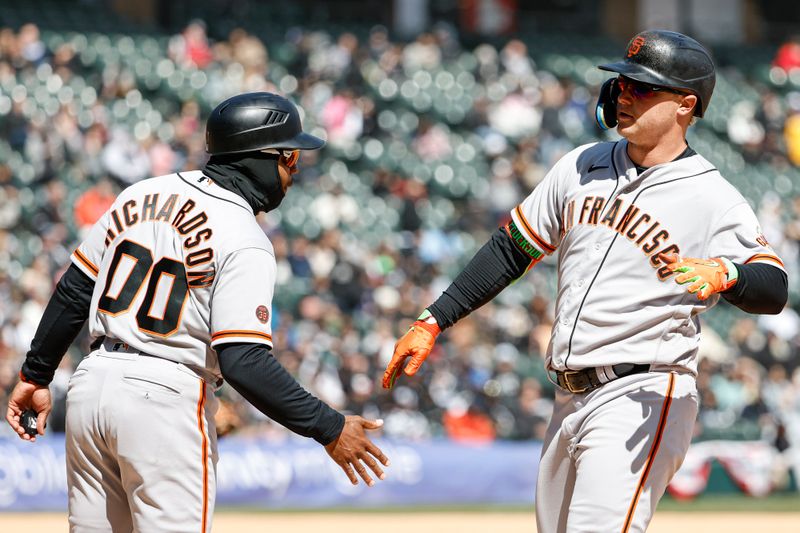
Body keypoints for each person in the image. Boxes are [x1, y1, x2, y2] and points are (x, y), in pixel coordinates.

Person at [382, 30, 787, 532]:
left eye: (642, 87)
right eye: (622, 83)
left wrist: (728, 273)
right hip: (567, 397)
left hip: (641, 393)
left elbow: (773, 287)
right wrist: (432, 320)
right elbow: (512, 249)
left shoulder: (712, 197)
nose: (623, 95)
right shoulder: (579, 165)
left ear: (685, 105)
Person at [6, 92, 389, 532]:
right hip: (166, 398)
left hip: (91, 386)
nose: (294, 168)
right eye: (288, 155)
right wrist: (329, 426)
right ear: (256, 158)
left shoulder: (140, 193)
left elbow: (74, 291)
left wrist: (35, 375)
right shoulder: (244, 236)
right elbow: (244, 361)